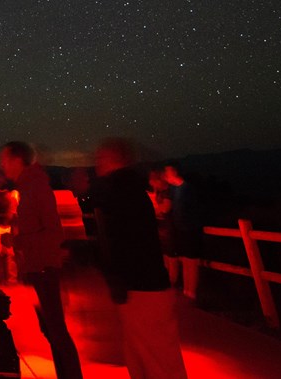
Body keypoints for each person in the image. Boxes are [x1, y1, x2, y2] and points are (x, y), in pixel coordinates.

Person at [92, 138, 188, 379]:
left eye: (101, 158)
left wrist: (114, 273)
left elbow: (124, 240)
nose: (97, 163)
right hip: (141, 286)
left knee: (158, 362)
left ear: (116, 159)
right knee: (145, 358)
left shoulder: (121, 192)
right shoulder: (127, 189)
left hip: (143, 288)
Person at [0, 141, 84, 379]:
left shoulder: (36, 187)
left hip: (45, 268)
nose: (1, 165)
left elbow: (53, 232)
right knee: (50, 330)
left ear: (17, 160)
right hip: (38, 268)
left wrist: (19, 242)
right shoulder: (27, 187)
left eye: (4, 160)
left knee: (56, 331)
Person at [163, 164, 204, 301]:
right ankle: (186, 292)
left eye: (167, 172)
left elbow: (195, 209)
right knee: (185, 261)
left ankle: (191, 293)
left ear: (174, 172)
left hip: (191, 230)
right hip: (180, 231)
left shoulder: (188, 189)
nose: (165, 175)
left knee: (191, 262)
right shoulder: (173, 189)